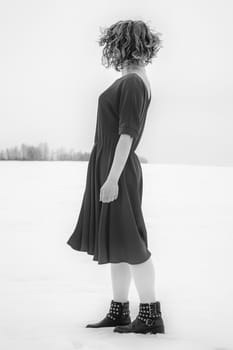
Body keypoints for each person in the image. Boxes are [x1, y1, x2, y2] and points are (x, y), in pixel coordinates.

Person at [66, 19, 164, 334]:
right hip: (111, 165)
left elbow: (127, 135)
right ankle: (120, 310)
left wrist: (111, 179)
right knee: (119, 243)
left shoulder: (134, 82)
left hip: (118, 169)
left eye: (116, 44)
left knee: (132, 243)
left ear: (123, 45)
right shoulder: (132, 79)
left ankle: (150, 316)